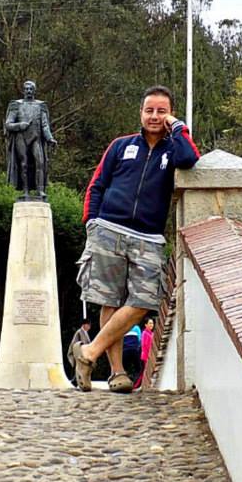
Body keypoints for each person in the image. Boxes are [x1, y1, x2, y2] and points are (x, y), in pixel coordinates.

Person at [71, 85, 200, 393]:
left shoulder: (173, 149)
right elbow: (97, 184)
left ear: (169, 114)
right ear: (140, 113)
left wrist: (178, 128)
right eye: (149, 110)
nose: (154, 116)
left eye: (161, 111)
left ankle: (88, 352)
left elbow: (190, 158)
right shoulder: (121, 146)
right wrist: (91, 222)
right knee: (110, 300)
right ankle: (117, 373)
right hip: (109, 230)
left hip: (149, 237)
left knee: (143, 302)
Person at [5, 80, 57, 199]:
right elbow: (8, 124)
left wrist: (50, 138)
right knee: (23, 164)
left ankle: (40, 190)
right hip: (21, 137)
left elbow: (45, 125)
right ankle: (25, 191)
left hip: (36, 137)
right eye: (27, 89)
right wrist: (20, 125)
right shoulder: (16, 105)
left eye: (31, 89)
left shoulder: (40, 105)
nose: (29, 91)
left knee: (40, 162)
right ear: (23, 90)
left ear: (34, 90)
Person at [66, 319, 92, 386]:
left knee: (83, 368)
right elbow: (75, 343)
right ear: (84, 325)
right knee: (79, 368)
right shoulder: (79, 332)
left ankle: (76, 381)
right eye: (88, 325)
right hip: (78, 353)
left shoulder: (85, 333)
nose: (89, 327)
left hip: (84, 353)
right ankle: (75, 381)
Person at [133, 316, 155, 390]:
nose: (152, 325)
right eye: (150, 323)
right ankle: (135, 386)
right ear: (146, 325)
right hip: (145, 356)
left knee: (144, 372)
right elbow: (144, 345)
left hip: (149, 355)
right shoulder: (145, 333)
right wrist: (148, 355)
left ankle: (139, 385)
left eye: (152, 323)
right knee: (143, 372)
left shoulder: (151, 333)